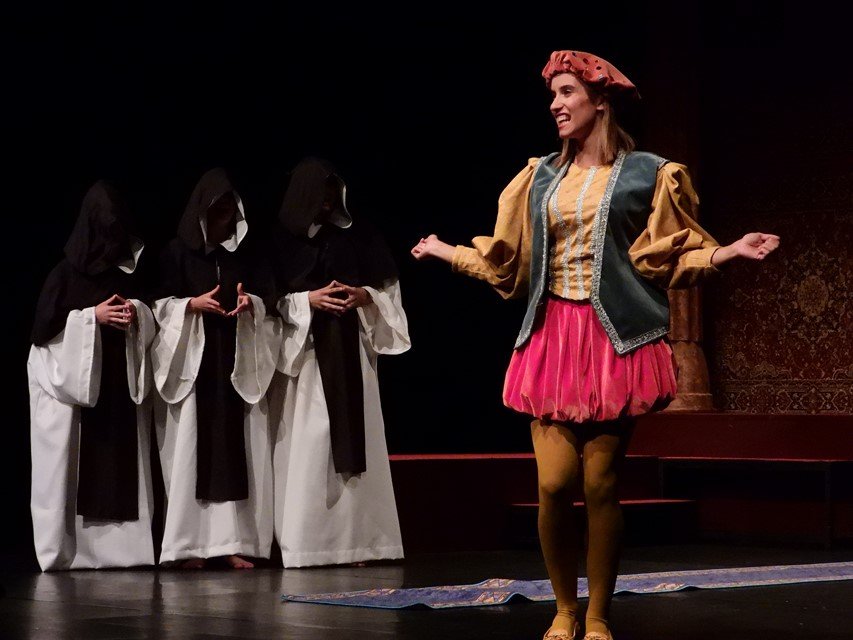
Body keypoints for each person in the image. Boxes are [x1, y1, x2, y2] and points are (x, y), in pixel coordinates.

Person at [411, 50, 780, 640]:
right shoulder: (538, 177)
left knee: (601, 483)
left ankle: (598, 613)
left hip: (614, 338)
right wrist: (448, 252)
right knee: (554, 484)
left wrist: (726, 252)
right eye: (552, 95)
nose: (555, 105)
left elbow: (664, 258)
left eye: (566, 93)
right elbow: (509, 266)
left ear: (599, 100)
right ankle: (564, 607)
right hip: (551, 336)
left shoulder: (648, 174)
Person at [269, 157, 409, 567]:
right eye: (321, 192)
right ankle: (309, 543)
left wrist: (364, 296)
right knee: (311, 445)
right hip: (306, 358)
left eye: (333, 192)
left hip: (352, 355)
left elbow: (387, 292)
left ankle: (358, 543)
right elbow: (268, 302)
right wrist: (306, 301)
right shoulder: (280, 241)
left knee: (356, 443)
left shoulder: (358, 235)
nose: (328, 200)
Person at [151, 167, 279, 569]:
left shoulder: (248, 255)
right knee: (192, 449)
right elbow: (158, 306)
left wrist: (250, 303)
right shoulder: (176, 253)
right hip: (194, 361)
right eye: (217, 214)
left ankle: (232, 543)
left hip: (234, 358)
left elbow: (270, 301)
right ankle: (191, 547)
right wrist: (191, 305)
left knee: (235, 451)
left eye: (229, 214)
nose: (224, 223)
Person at [28, 180, 157, 571]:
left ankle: (125, 551)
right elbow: (42, 337)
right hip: (81, 398)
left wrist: (137, 313)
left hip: (119, 385)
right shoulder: (64, 275)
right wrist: (91, 318)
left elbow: (153, 317)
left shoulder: (128, 274)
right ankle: (76, 551)